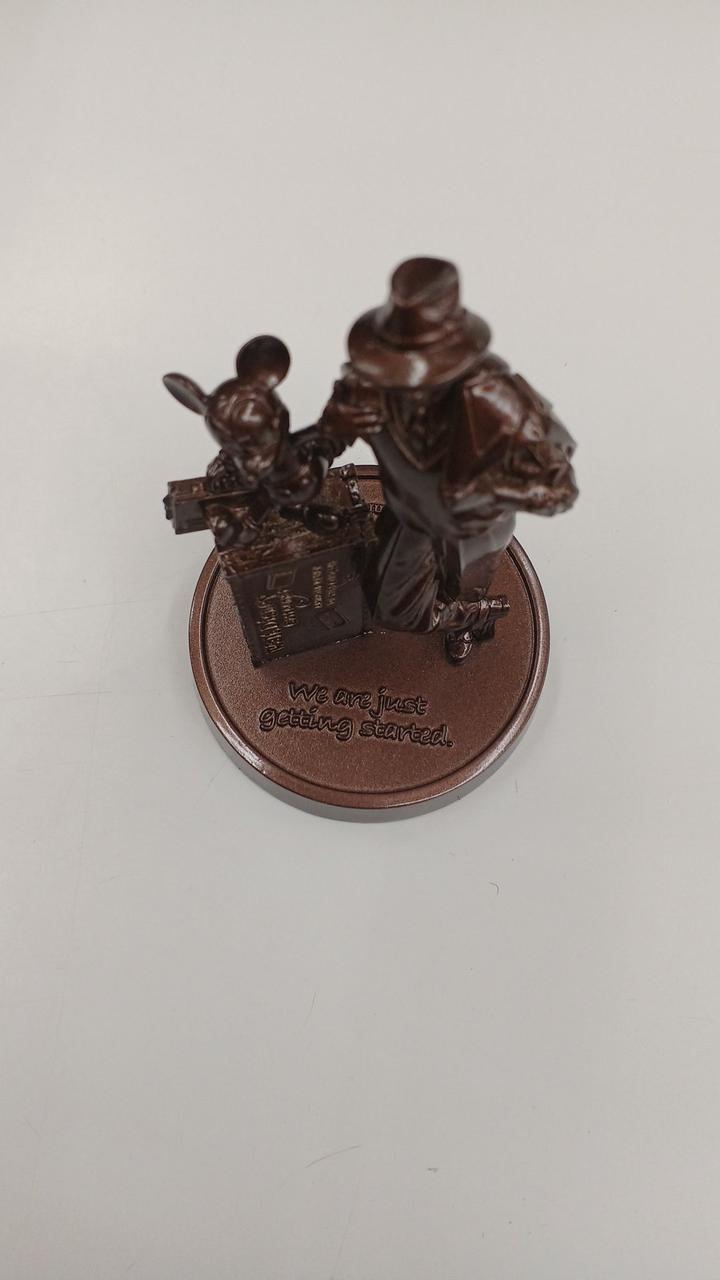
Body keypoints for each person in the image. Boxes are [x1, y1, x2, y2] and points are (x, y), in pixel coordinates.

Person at [319, 257, 578, 662]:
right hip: (408, 514)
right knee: (392, 607)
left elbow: (560, 489)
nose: (403, 382)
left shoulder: (500, 404)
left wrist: (482, 493)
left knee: (461, 587)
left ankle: (472, 619)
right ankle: (464, 614)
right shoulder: (370, 384)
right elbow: (326, 438)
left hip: (471, 532)